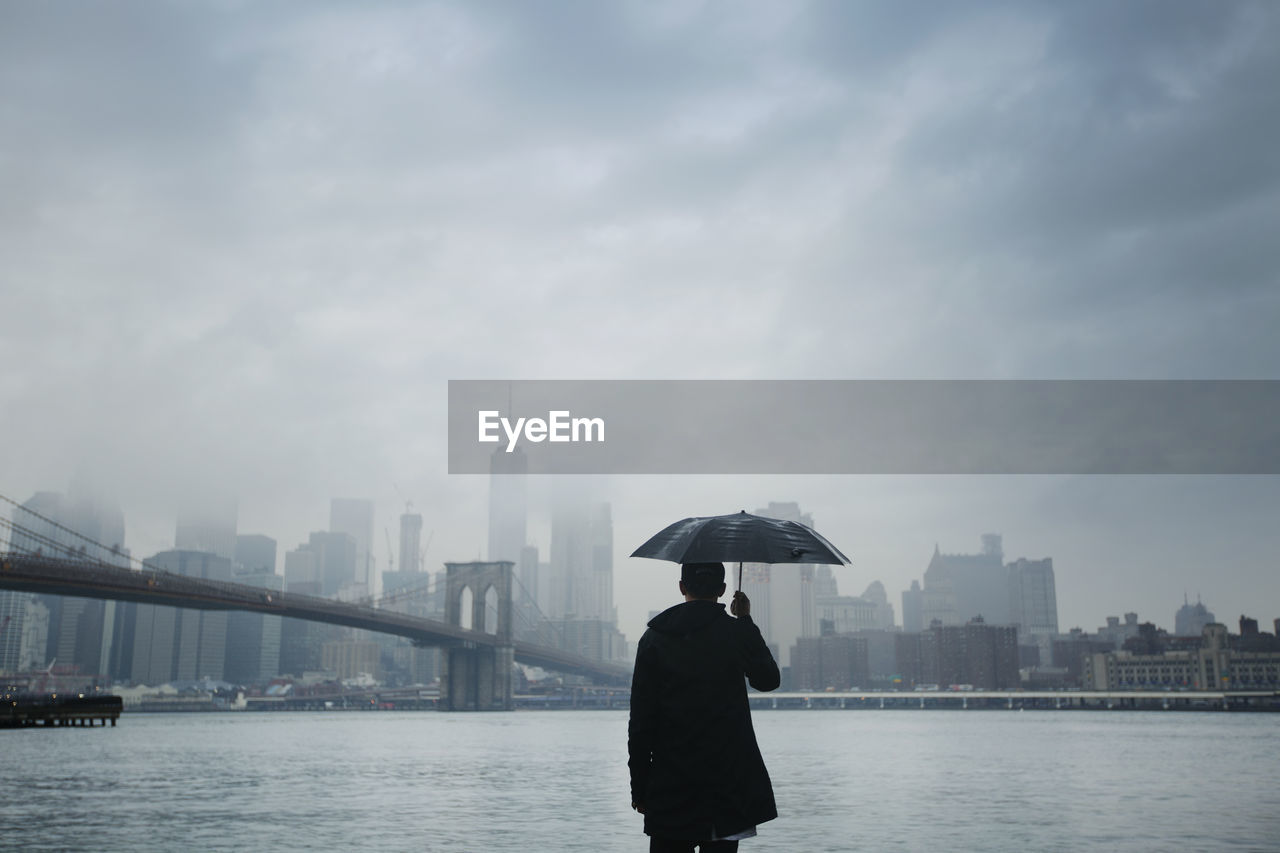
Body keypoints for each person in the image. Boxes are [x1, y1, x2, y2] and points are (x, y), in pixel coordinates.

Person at [628, 561, 781, 852]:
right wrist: (745, 621)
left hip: (669, 785)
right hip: (727, 787)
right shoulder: (734, 632)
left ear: (682, 587)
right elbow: (769, 680)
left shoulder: (654, 639)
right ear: (723, 590)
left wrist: (640, 787)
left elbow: (641, 723)